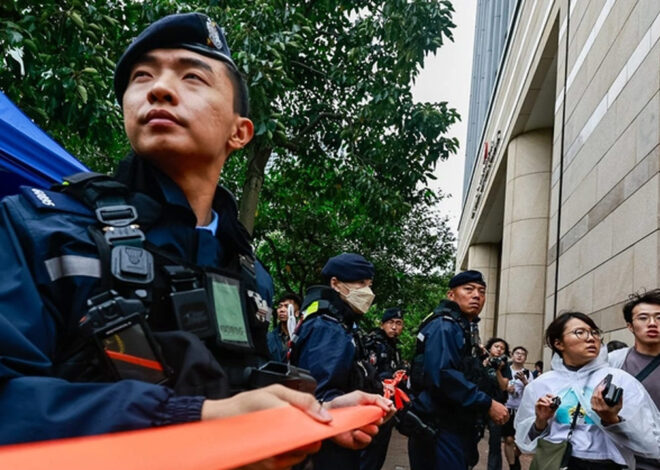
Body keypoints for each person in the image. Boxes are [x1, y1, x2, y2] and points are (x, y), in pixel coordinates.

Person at [0, 12, 391, 467]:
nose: (159, 88)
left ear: (239, 132)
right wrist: (194, 424)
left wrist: (313, 418)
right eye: (142, 76)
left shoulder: (248, 271)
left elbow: (235, 391)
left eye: (192, 76)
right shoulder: (41, 229)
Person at [515, 311, 660, 469]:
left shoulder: (620, 380)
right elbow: (525, 442)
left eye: (594, 333)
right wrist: (540, 421)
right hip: (556, 461)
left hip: (606, 465)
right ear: (559, 343)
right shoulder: (542, 384)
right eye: (580, 332)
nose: (591, 338)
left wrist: (611, 420)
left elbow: (649, 442)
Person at [289, 253, 390, 470]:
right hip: (329, 444)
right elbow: (322, 393)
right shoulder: (328, 327)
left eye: (369, 284)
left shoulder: (338, 323)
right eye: (360, 283)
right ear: (335, 283)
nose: (368, 292)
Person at [406, 270, 509, 470]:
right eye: (468, 289)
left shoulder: (463, 327)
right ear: (451, 295)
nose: (477, 295)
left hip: (456, 424)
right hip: (440, 427)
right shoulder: (445, 326)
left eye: (481, 291)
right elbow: (443, 375)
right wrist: (487, 403)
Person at [608, 289, 660, 469]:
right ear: (630, 325)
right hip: (622, 459)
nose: (652, 324)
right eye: (643, 318)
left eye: (659, 317)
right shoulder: (613, 362)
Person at [360, 307, 406, 470]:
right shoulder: (373, 344)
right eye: (391, 323)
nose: (394, 327)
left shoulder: (394, 348)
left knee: (378, 455)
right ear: (382, 324)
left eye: (398, 323)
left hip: (388, 406)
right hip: (372, 405)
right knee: (368, 454)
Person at [482, 337, 512, 470]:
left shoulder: (505, 367)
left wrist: (498, 369)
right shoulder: (480, 361)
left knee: (495, 444)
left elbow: (504, 386)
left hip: (497, 407)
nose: (499, 349)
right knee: (471, 438)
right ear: (489, 348)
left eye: (502, 348)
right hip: (480, 404)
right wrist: (483, 364)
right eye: (496, 346)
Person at [502, 346, 533, 470]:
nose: (519, 356)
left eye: (522, 354)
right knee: (509, 439)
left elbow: (533, 391)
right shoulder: (505, 370)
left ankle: (515, 457)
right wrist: (506, 388)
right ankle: (513, 466)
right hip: (507, 408)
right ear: (512, 355)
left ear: (525, 358)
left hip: (521, 410)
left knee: (520, 441)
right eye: (517, 353)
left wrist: (525, 381)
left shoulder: (528, 373)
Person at [268, 293, 302, 362]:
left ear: (297, 313)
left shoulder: (302, 336)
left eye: (287, 306)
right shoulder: (269, 337)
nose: (282, 310)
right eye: (279, 306)